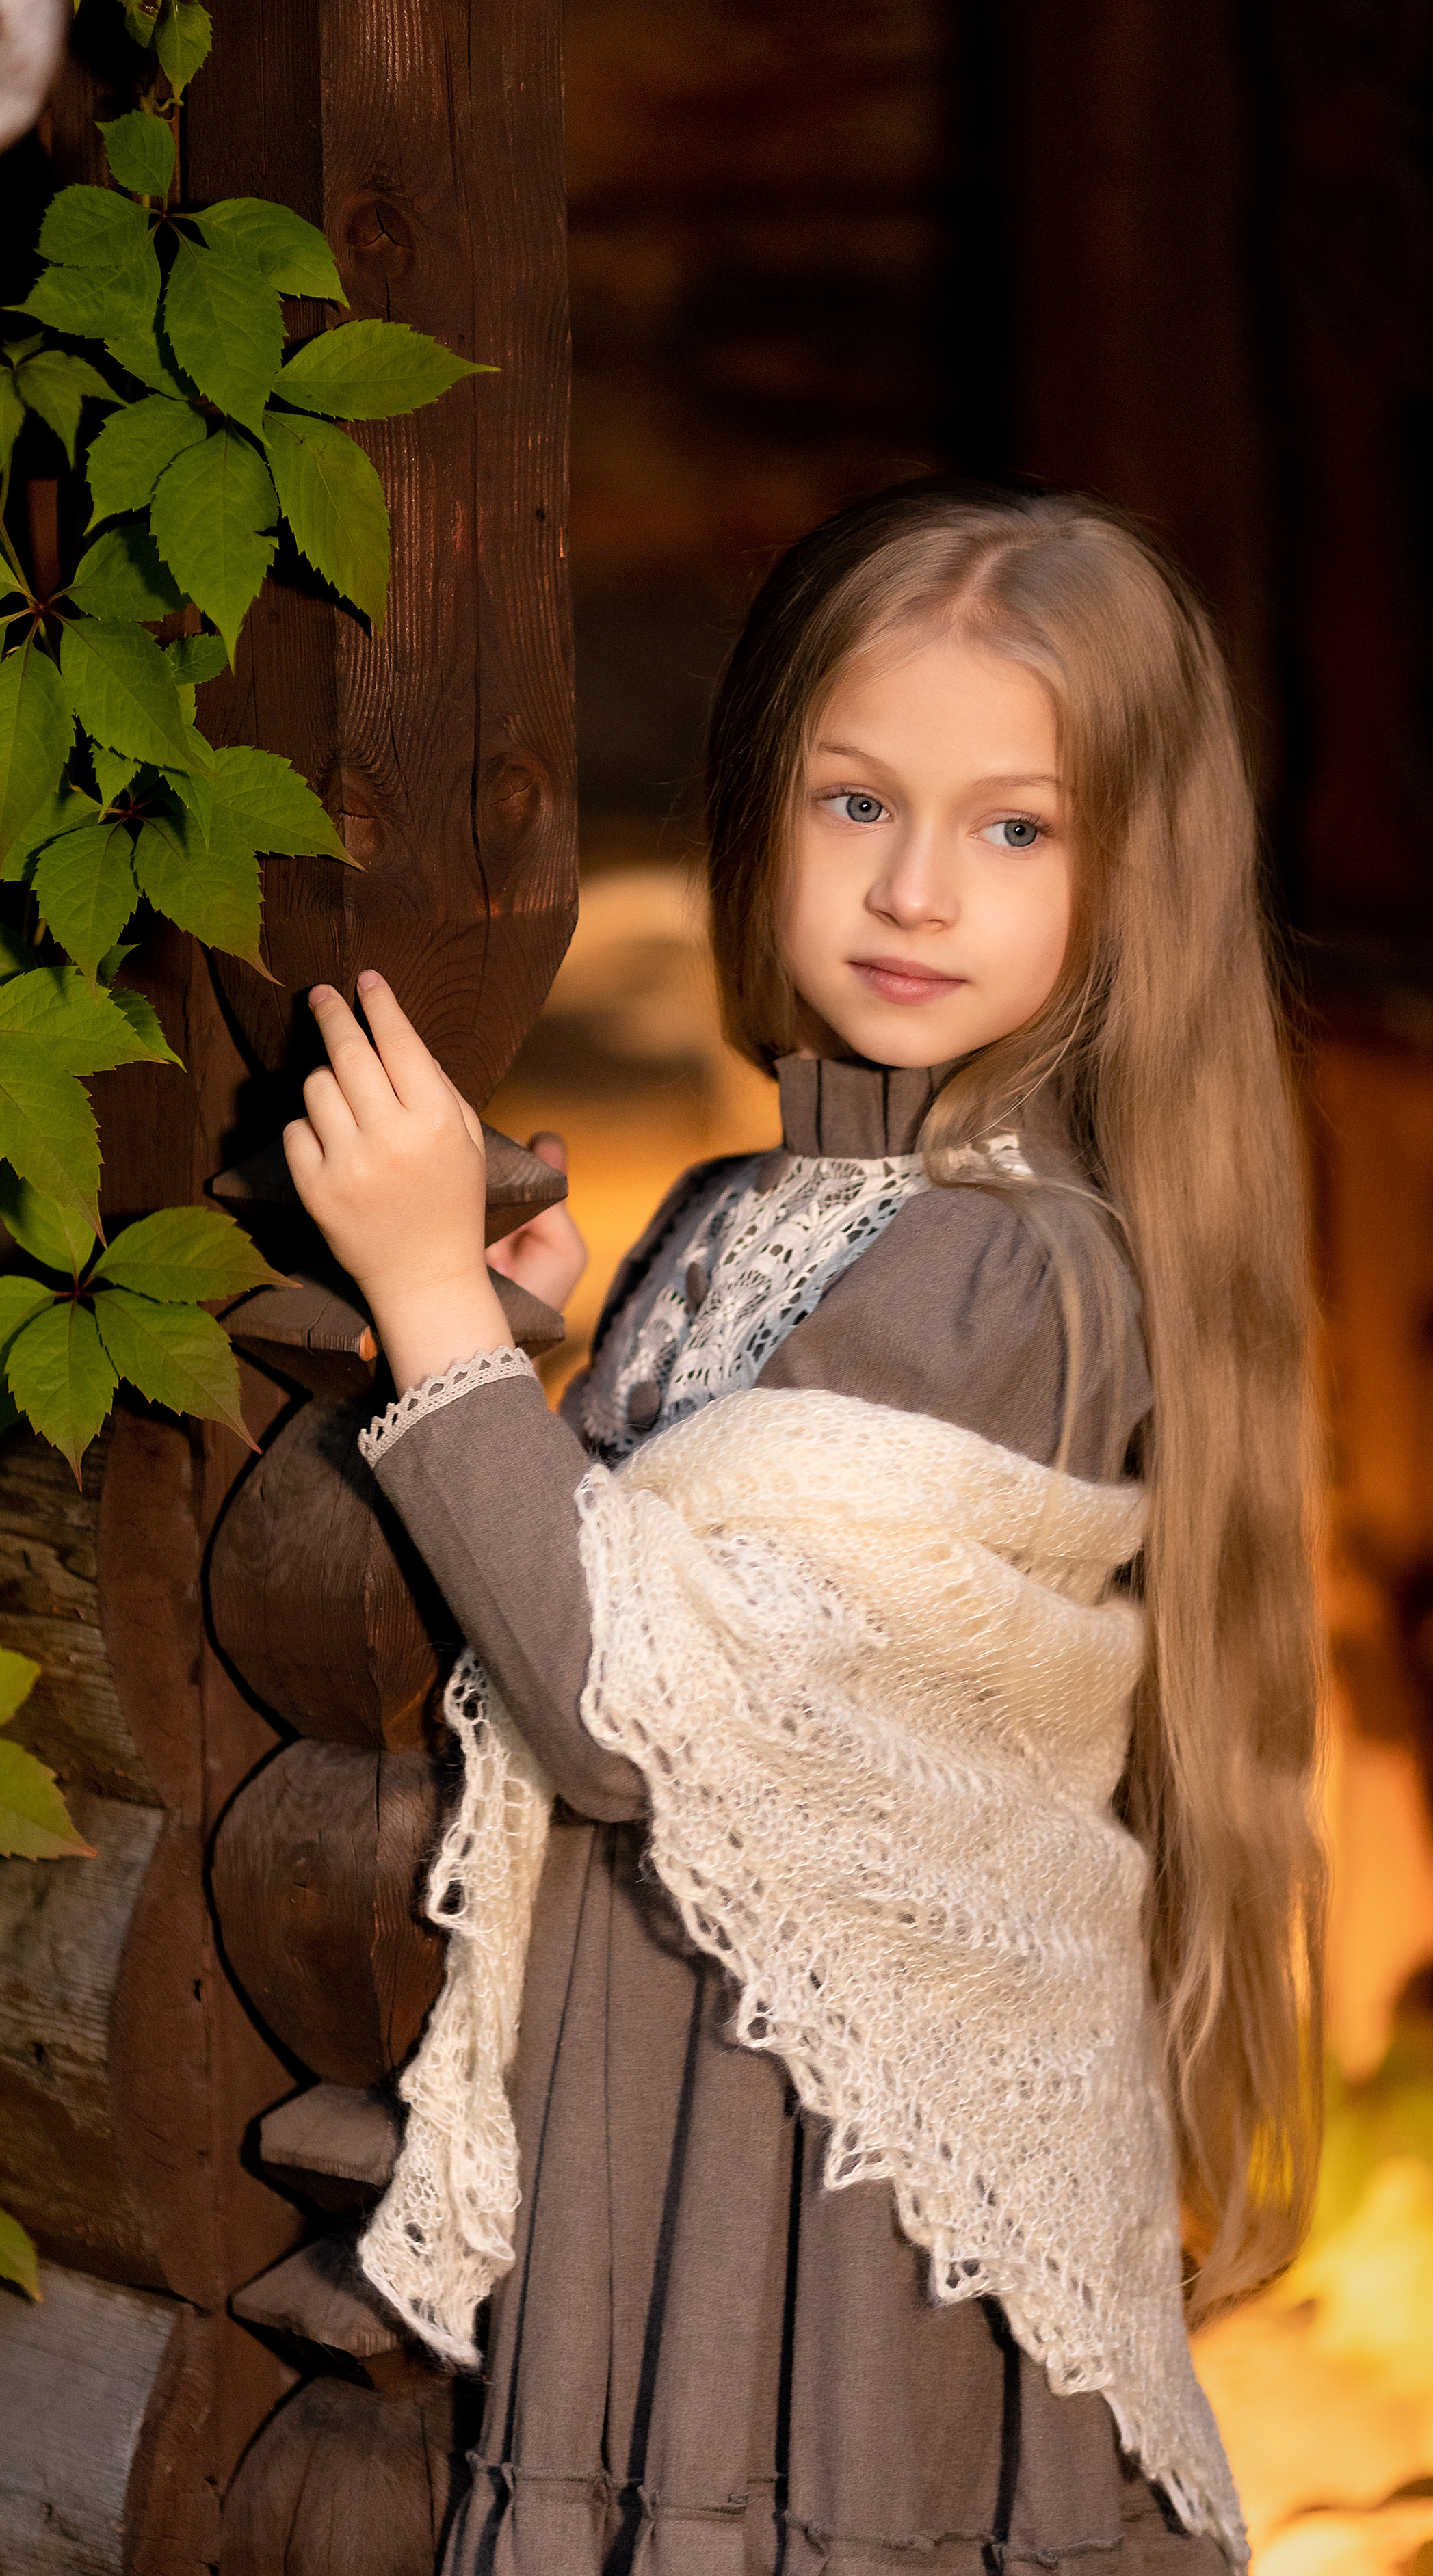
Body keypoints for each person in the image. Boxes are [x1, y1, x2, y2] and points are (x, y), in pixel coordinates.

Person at [283, 481, 1324, 2576]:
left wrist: (417, 1306)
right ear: (770, 804)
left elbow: (629, 1711)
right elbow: (682, 1589)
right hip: (684, 2134)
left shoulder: (1015, 1275)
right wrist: (524, 1352)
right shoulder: (738, 1213)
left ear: (1135, 880)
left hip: (843, 2201)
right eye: (859, 803)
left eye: (1015, 830)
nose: (916, 889)